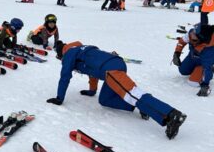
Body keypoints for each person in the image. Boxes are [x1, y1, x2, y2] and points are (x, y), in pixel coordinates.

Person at [47, 41, 187, 139]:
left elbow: (65, 76)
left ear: (62, 53)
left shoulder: (69, 53)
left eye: (60, 58)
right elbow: (91, 70)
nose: (61, 61)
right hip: (112, 66)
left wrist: (60, 98)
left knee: (133, 94)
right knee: (105, 100)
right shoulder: (81, 50)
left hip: (110, 70)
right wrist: (92, 90)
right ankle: (143, 106)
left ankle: (171, 114)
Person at [172, 24, 214, 96]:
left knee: (193, 83)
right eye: (192, 34)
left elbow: (207, 67)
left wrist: (205, 84)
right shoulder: (191, 34)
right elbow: (181, 42)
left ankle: (202, 71)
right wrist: (177, 53)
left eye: (194, 38)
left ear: (201, 40)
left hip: (203, 63)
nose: (191, 37)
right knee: (183, 71)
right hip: (192, 57)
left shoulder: (209, 50)